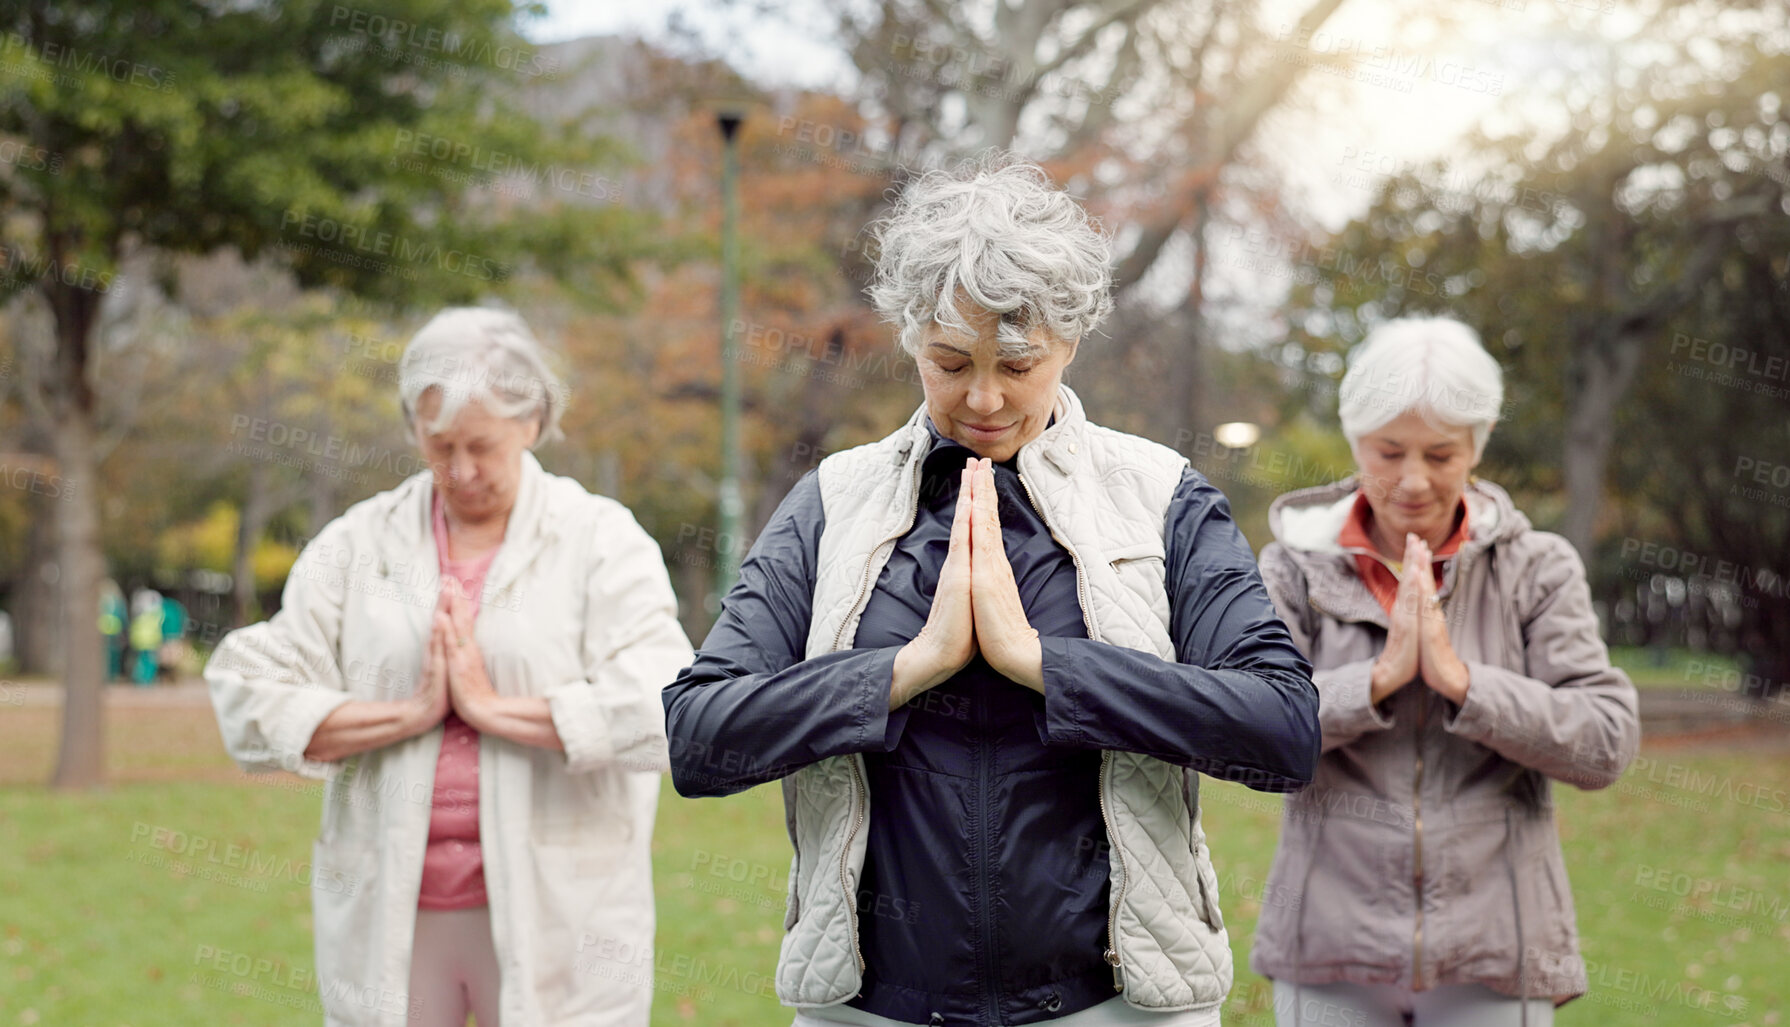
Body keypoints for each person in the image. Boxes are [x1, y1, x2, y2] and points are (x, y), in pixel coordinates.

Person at [663, 157, 1321, 1027]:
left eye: (1017, 363)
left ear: (1070, 340)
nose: (981, 396)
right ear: (908, 339)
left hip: (1115, 1005)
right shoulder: (832, 500)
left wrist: (1041, 663)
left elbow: (1281, 728)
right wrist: (907, 668)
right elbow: (699, 735)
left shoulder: (1160, 494)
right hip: (871, 1008)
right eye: (948, 361)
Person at [205, 307, 694, 1026]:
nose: (461, 470)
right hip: (396, 913)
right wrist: (409, 714)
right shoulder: (357, 542)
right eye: (439, 446)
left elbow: (667, 707)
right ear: (414, 430)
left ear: (531, 423)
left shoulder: (600, 541)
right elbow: (248, 692)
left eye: (481, 446)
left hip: (559, 910)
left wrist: (494, 708)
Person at [1249, 317, 1640, 1026]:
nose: (1412, 479)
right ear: (1352, 437)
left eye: (1440, 453)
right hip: (1328, 947)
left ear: (1479, 441)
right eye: (1387, 450)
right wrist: (1375, 679)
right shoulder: (1289, 567)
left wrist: (1463, 682)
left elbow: (1604, 740)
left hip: (1494, 951)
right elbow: (1246, 733)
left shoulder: (1536, 567)